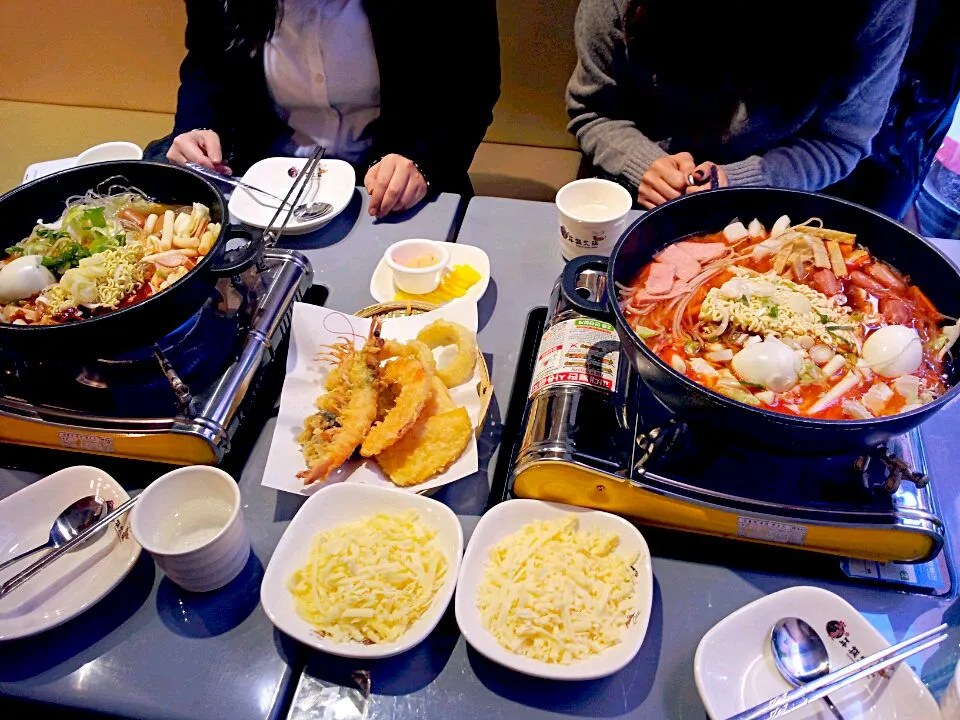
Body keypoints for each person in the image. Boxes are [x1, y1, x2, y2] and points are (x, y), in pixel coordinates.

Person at [147, 0, 500, 218]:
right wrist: (196, 129)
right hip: (260, 177)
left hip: (388, 185)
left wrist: (422, 159)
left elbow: (473, 88)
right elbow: (207, 64)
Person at [566, 0, 916, 210]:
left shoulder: (877, 9)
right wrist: (643, 163)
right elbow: (593, 110)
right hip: (630, 190)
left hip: (776, 197)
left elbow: (840, 141)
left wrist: (745, 179)